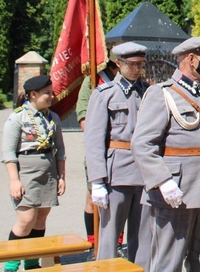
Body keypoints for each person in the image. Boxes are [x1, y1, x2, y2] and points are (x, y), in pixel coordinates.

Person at [131, 36, 200, 272]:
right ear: (191, 59)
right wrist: (162, 181)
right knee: (169, 260)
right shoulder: (162, 93)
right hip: (176, 191)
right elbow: (142, 144)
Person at [85, 42, 149, 263]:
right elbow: (94, 140)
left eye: (140, 64)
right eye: (131, 64)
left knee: (143, 237)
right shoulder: (105, 94)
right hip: (117, 174)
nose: (136, 69)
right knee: (110, 236)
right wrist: (97, 181)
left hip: (145, 173)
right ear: (119, 64)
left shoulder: (149, 93)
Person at [1, 75, 66, 271]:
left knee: (41, 218)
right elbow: (8, 152)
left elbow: (60, 150)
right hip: (27, 172)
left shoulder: (52, 118)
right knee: (26, 219)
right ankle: (11, 265)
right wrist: (14, 181)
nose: (51, 96)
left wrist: (62, 177)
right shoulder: (18, 117)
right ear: (33, 94)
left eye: (51, 92)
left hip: (48, 172)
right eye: (47, 93)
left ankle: (31, 262)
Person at [75, 60, 117, 254]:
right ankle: (93, 244)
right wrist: (98, 139)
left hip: (124, 153)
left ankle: (116, 244)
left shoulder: (134, 81)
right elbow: (83, 115)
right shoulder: (93, 80)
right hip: (100, 149)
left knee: (119, 199)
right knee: (93, 199)